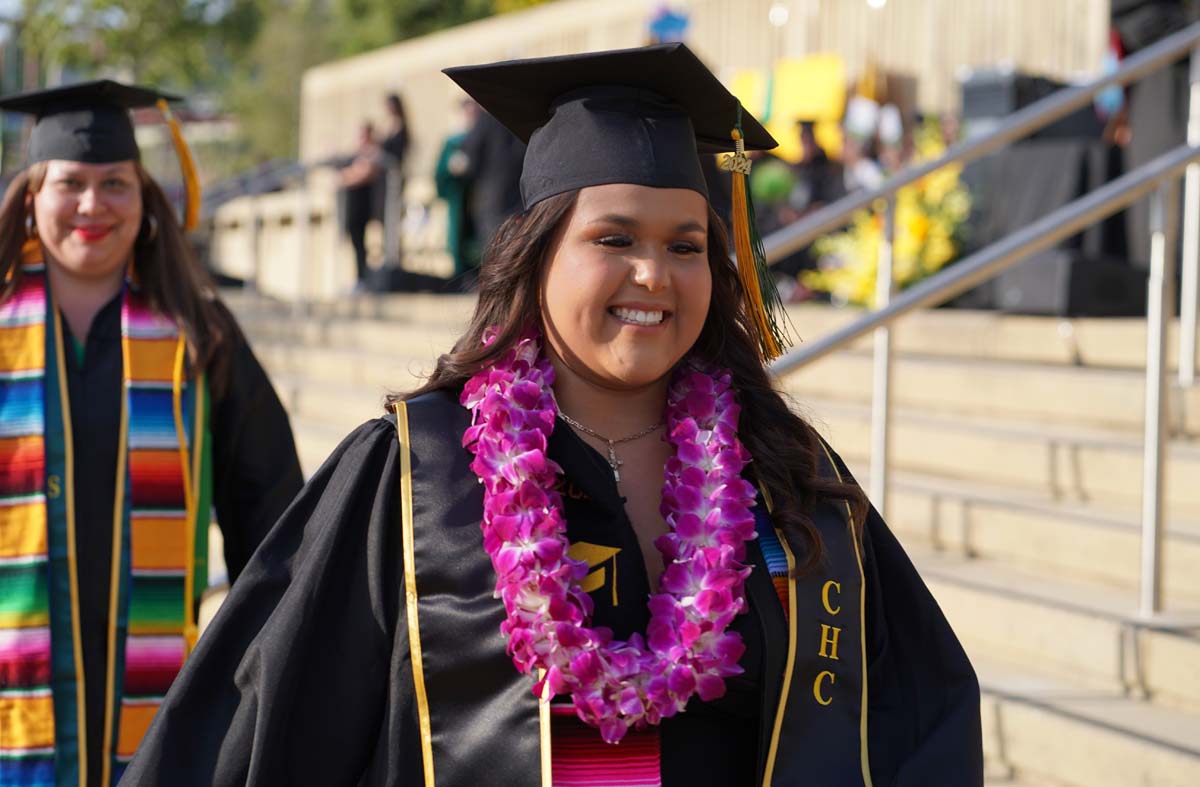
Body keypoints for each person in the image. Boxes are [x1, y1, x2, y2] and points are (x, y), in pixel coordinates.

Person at [123, 45, 982, 786]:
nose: (654, 274)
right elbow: (274, 723)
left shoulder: (789, 475)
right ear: (537, 259)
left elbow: (919, 703)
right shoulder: (418, 475)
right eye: (614, 239)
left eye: (686, 245)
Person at [0, 80, 303, 786]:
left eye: (116, 184)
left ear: (146, 201)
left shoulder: (200, 337)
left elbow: (273, 510)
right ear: (32, 195)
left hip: (163, 697)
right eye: (70, 183)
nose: (92, 205)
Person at [338, 122, 382, 287]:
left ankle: (364, 279)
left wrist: (348, 176)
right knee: (355, 241)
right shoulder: (357, 154)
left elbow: (363, 173)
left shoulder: (374, 152)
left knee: (362, 243)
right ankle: (359, 278)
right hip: (353, 203)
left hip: (365, 204)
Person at [379, 93, 409, 268]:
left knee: (394, 220)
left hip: (395, 179)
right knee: (385, 220)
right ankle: (388, 257)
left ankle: (394, 260)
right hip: (384, 182)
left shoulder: (401, 128)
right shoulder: (388, 127)